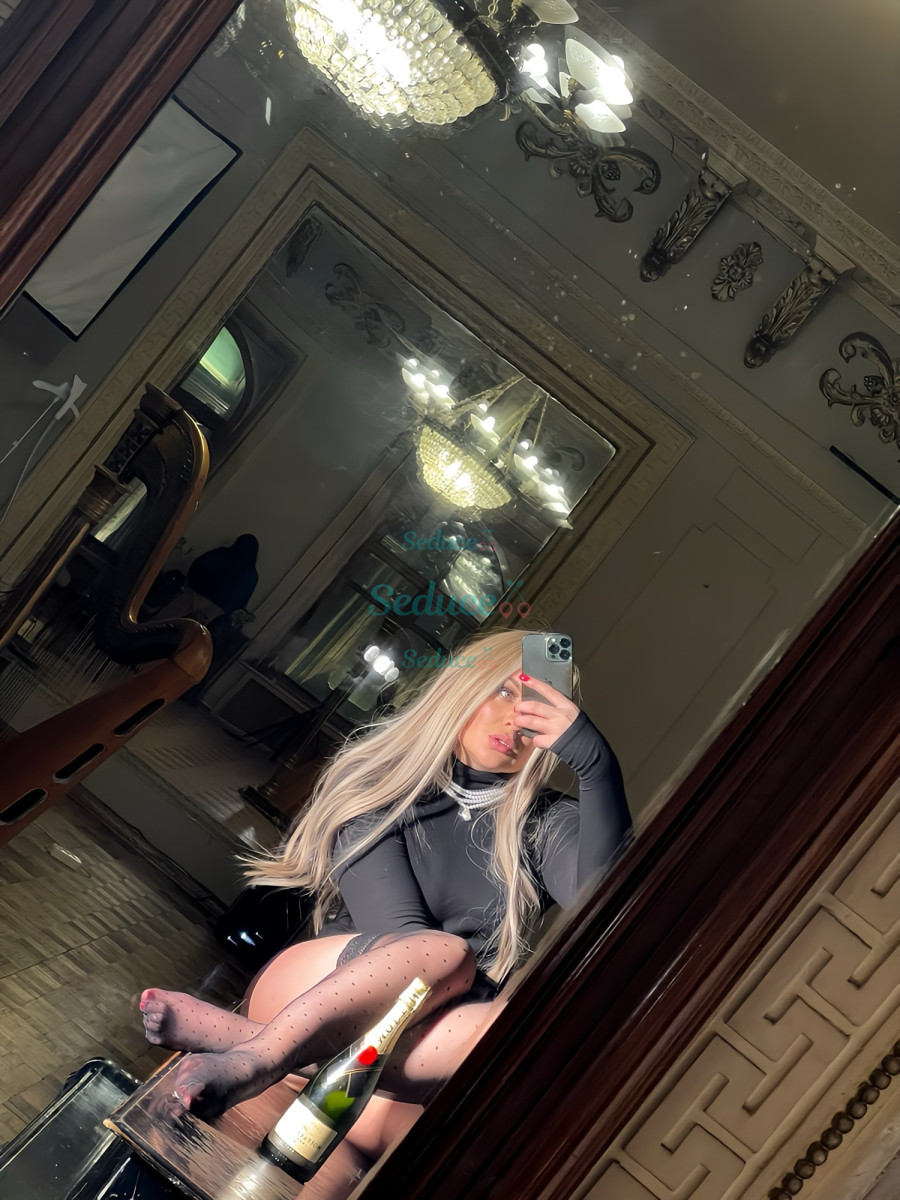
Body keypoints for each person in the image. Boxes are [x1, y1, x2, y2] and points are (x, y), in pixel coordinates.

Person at [139, 628, 631, 1160]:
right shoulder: (382, 784)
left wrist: (596, 765)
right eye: (505, 691)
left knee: (511, 1040)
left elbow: (606, 909)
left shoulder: (546, 821)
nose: (517, 718)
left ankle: (240, 1038)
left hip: (405, 1050)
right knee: (445, 952)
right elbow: (401, 939)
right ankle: (255, 1058)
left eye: (537, 703)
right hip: (313, 990)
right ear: (462, 689)